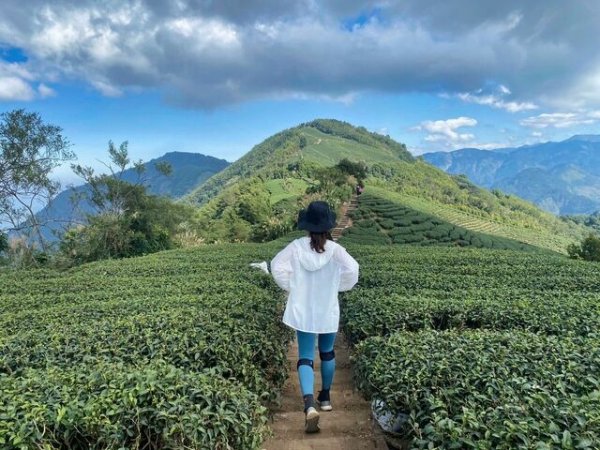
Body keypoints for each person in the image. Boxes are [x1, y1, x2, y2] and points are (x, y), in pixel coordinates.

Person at [271, 201, 359, 433]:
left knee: (306, 356)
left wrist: (293, 286)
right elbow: (353, 270)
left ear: (308, 226)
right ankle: (326, 398)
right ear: (328, 227)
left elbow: (276, 266)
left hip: (303, 310)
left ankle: (309, 404)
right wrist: (335, 286)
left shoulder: (296, 247)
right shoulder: (336, 250)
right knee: (328, 352)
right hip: (327, 308)